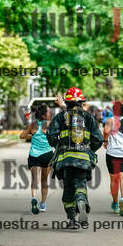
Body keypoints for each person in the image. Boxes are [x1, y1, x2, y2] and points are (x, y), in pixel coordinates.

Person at [46, 87, 103, 229]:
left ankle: (72, 220)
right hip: (83, 159)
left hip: (65, 159)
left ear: (67, 102)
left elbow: (51, 135)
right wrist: (89, 150)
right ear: (81, 102)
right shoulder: (88, 117)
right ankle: (81, 201)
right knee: (80, 183)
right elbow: (98, 139)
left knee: (68, 187)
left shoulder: (60, 117)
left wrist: (58, 144)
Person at [20, 103, 53, 213]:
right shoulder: (50, 124)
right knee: (44, 180)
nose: (51, 113)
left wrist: (31, 135)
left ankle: (34, 198)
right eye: (49, 112)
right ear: (43, 115)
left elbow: (22, 136)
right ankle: (43, 204)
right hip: (47, 155)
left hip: (34, 155)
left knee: (35, 179)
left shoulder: (32, 125)